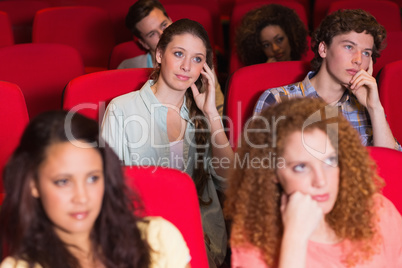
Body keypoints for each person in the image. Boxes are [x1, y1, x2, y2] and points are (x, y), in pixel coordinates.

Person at [102, 19, 234, 268]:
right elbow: (111, 190)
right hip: (146, 240)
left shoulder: (202, 113)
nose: (186, 66)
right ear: (159, 54)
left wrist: (212, 115)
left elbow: (228, 180)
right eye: (178, 54)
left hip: (202, 240)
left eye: (197, 59)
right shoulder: (121, 108)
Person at [225, 97, 402, 267]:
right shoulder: (255, 240)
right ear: (272, 172)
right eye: (301, 167)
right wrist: (294, 239)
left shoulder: (378, 212)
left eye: (330, 161)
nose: (321, 181)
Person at [0, 110, 191, 268]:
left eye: (92, 178)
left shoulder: (157, 239)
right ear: (33, 184)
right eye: (63, 182)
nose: (82, 198)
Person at [254, 9, 401, 151]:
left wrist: (374, 108)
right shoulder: (278, 100)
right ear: (323, 49)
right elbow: (258, 169)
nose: (358, 60)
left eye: (366, 53)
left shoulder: (368, 107)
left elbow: (392, 167)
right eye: (349, 47)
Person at [118, 0, 225, 116]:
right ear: (144, 43)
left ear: (171, 20)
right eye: (152, 34)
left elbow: (218, 108)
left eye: (164, 25)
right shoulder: (126, 69)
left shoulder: (199, 61)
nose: (162, 34)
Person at [235, 4, 308, 66]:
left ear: (291, 37)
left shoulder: (309, 69)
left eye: (279, 40)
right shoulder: (257, 76)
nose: (275, 48)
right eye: (266, 45)